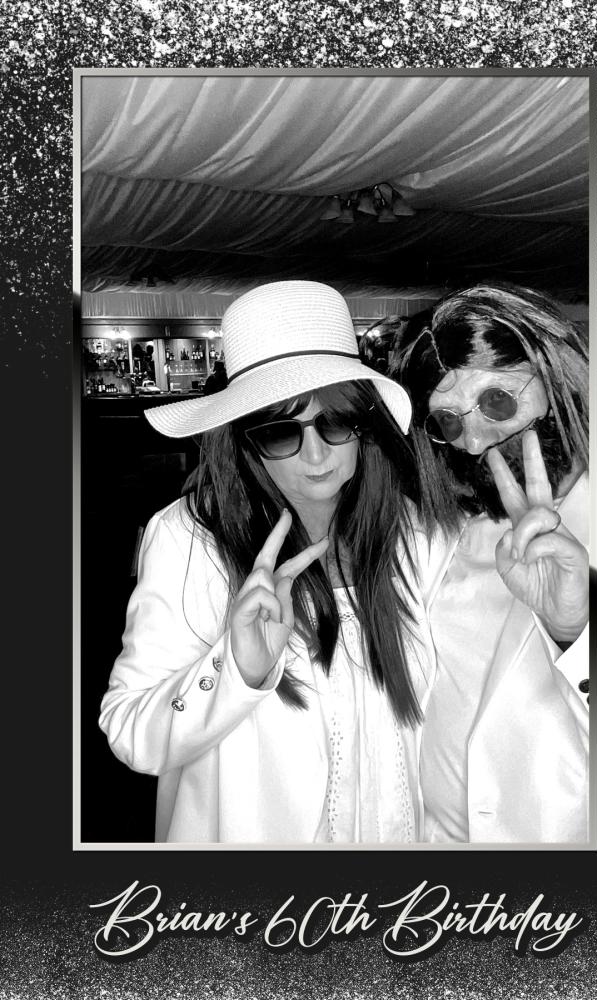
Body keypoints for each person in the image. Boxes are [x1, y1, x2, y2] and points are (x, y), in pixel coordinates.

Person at [99, 280, 450, 845]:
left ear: (364, 424)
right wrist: (236, 669)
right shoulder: (193, 538)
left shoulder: (411, 532)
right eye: (281, 431)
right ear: (245, 439)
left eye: (335, 422)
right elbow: (129, 730)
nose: (316, 454)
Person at [392, 281, 590, 844]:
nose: (475, 443)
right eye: (449, 422)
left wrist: (574, 632)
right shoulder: (438, 531)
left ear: (557, 379)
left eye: (497, 402)